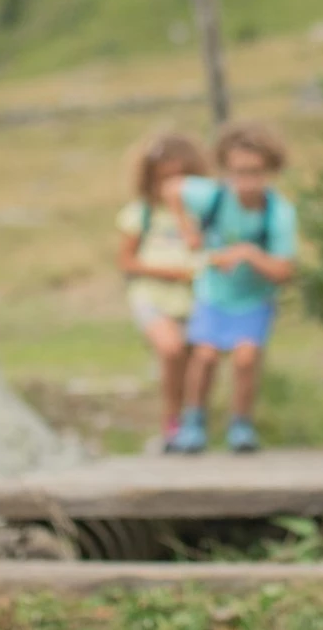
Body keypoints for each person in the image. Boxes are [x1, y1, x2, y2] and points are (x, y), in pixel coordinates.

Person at [165, 121, 298, 455]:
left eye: (255, 172)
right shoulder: (212, 196)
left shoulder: (279, 213)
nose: (246, 181)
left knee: (245, 357)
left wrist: (249, 254)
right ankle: (193, 422)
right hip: (214, 293)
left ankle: (241, 425)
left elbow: (284, 270)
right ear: (226, 169)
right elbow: (171, 189)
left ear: (269, 170)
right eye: (238, 172)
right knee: (206, 355)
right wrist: (188, 231)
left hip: (254, 298)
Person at [116, 131, 211, 451]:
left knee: (192, 360)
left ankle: (190, 422)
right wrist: (170, 272)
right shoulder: (140, 213)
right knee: (170, 349)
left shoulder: (203, 214)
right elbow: (126, 261)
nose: (172, 186)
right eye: (164, 179)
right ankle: (172, 420)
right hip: (152, 296)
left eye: (180, 177)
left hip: (194, 298)